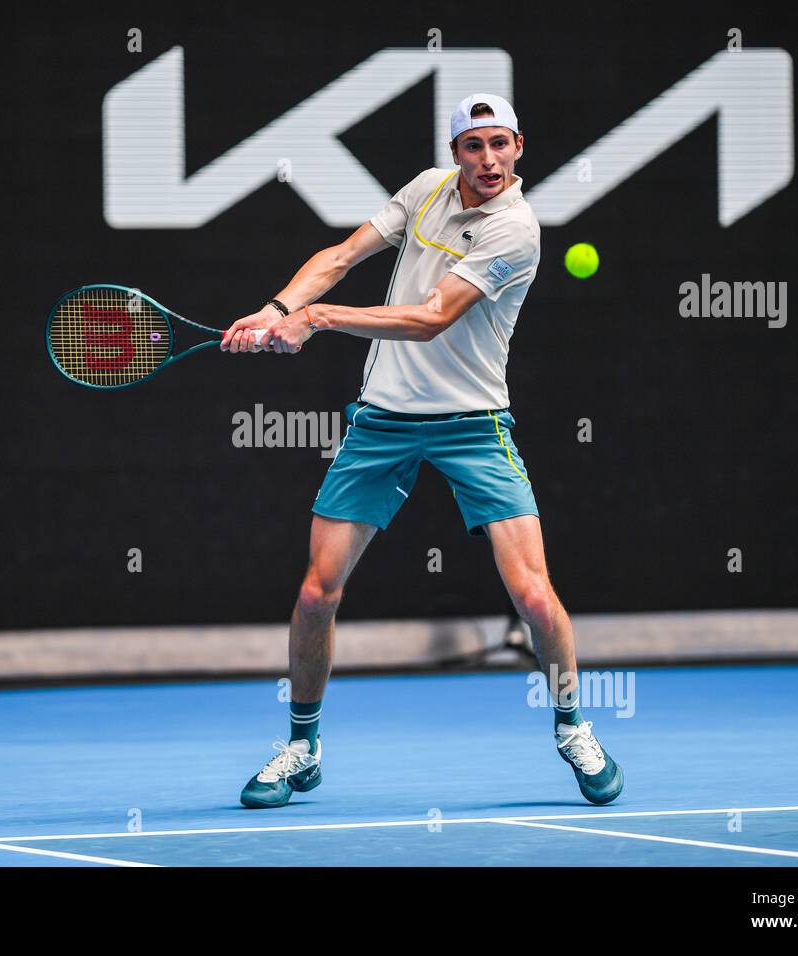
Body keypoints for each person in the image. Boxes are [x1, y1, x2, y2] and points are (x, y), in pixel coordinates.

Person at [221, 93, 623, 809]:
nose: (488, 160)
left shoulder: (516, 230)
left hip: (474, 422)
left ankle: (571, 725)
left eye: (501, 144)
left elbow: (431, 318)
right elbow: (342, 255)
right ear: (457, 152)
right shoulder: (427, 188)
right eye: (474, 146)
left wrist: (317, 319)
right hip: (384, 420)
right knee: (318, 593)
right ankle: (303, 744)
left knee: (533, 594)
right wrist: (279, 307)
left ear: (519, 147)